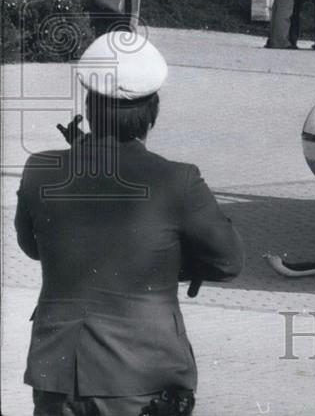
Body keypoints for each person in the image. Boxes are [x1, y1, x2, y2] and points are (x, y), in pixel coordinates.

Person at [15, 31, 244, 416]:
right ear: (151, 111)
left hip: (58, 375)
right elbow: (229, 262)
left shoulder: (40, 169)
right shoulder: (178, 180)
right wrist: (165, 262)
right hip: (142, 375)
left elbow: (33, 246)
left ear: (90, 105)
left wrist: (85, 157)